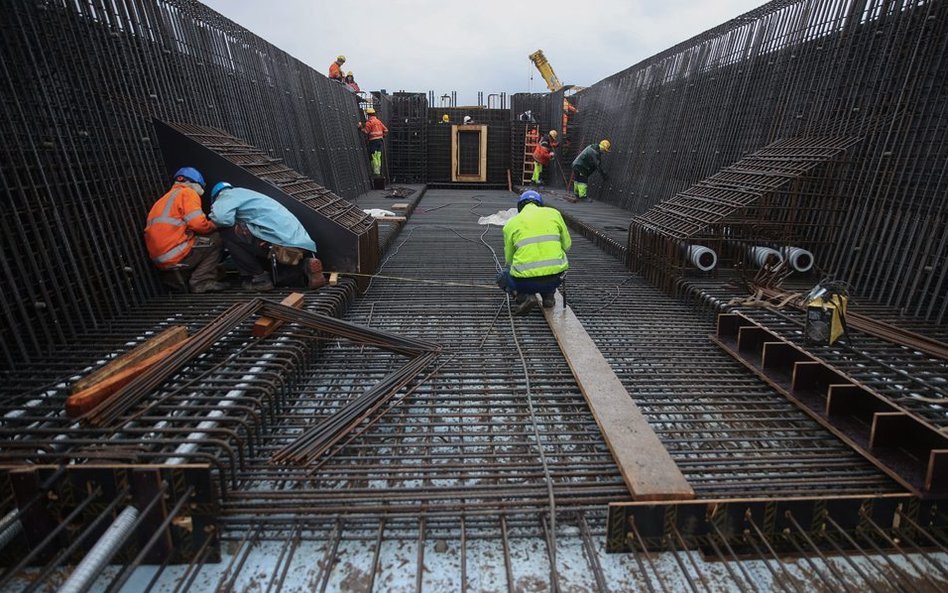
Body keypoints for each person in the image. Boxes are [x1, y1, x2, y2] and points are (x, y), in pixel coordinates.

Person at [208, 182, 324, 291]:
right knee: (280, 278)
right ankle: (305, 267)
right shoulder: (248, 194)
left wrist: (206, 227)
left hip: (275, 240)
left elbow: (221, 218)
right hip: (300, 242)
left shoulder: (226, 195)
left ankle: (258, 279)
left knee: (226, 233)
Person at [144, 166, 226, 293]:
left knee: (199, 241)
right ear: (197, 184)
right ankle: (201, 281)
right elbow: (199, 225)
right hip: (176, 253)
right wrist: (215, 224)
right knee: (218, 238)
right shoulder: (188, 193)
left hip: (160, 259)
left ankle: (177, 278)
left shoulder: (164, 199)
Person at [497, 190, 571, 315]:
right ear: (540, 204)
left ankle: (524, 297)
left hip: (525, 283)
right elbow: (567, 246)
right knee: (550, 270)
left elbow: (509, 260)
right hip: (555, 279)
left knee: (501, 277)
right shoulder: (554, 214)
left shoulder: (511, 223)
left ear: (520, 206)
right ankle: (548, 296)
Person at [358, 107, 388, 176]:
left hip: (373, 141)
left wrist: (360, 128)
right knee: (378, 156)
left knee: (373, 156)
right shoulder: (378, 121)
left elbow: (366, 132)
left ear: (369, 115)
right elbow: (386, 130)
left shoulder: (369, 122)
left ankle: (375, 171)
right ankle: (378, 171)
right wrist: (383, 136)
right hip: (380, 141)